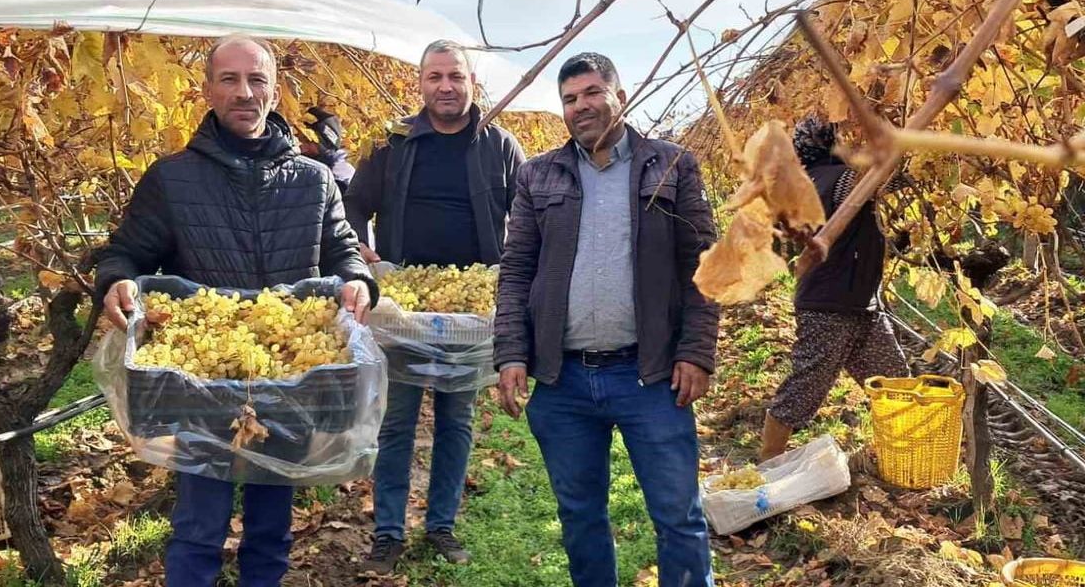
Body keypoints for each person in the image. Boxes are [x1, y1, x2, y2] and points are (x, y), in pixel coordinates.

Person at [94, 35, 377, 587]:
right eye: (229, 80)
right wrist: (117, 280)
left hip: (292, 378)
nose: (244, 92)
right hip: (203, 382)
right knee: (199, 525)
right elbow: (126, 251)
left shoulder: (314, 178)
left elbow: (342, 249)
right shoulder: (172, 179)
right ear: (207, 91)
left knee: (272, 528)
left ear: (275, 90)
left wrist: (358, 280)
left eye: (256, 80)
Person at [494, 52, 719, 587]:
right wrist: (510, 353)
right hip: (564, 378)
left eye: (593, 93)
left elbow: (705, 265)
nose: (581, 107)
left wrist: (696, 351)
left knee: (678, 517)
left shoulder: (670, 164)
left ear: (620, 94)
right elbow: (517, 269)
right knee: (580, 516)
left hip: (650, 374)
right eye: (570, 99)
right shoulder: (537, 176)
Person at [344, 39, 525, 573]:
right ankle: (388, 532)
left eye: (456, 77)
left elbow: (530, 214)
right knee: (396, 421)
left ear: (473, 83)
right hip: (405, 307)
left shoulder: (499, 145)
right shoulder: (392, 141)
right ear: (420, 84)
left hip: (472, 313)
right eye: (434, 77)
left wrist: (516, 267)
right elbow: (352, 203)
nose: (445, 86)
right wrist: (359, 244)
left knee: (456, 418)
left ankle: (441, 527)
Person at [759, 116, 911, 460]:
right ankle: (766, 469)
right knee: (803, 391)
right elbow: (884, 178)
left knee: (894, 383)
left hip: (861, 304)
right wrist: (906, 138)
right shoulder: (834, 180)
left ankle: (898, 458)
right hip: (830, 306)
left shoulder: (816, 178)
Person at [300, 106, 355, 193]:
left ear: (324, 146)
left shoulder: (342, 177)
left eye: (307, 140)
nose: (300, 143)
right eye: (298, 137)